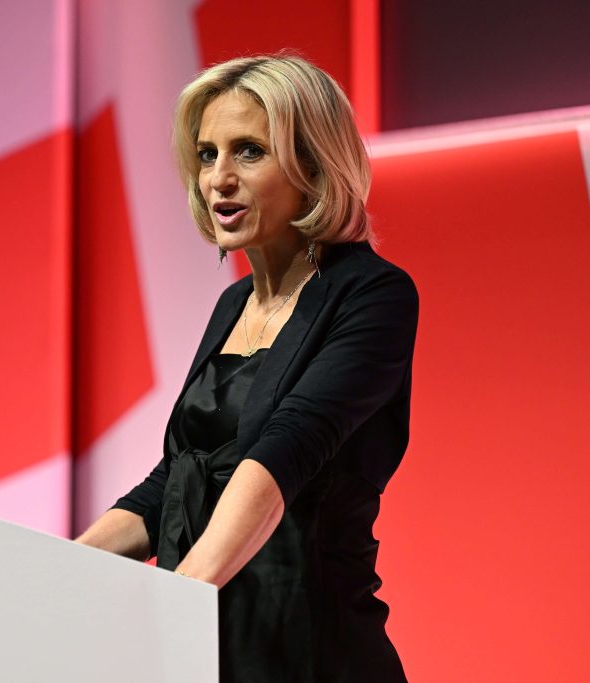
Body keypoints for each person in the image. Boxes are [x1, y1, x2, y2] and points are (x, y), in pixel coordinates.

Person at [76, 54, 418, 682]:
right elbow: (178, 478)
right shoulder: (233, 303)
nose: (219, 179)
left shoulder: (372, 294)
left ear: (314, 165)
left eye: (249, 152)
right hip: (211, 647)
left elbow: (285, 449)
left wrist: (177, 602)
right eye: (208, 155)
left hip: (309, 652)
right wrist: (54, 572)